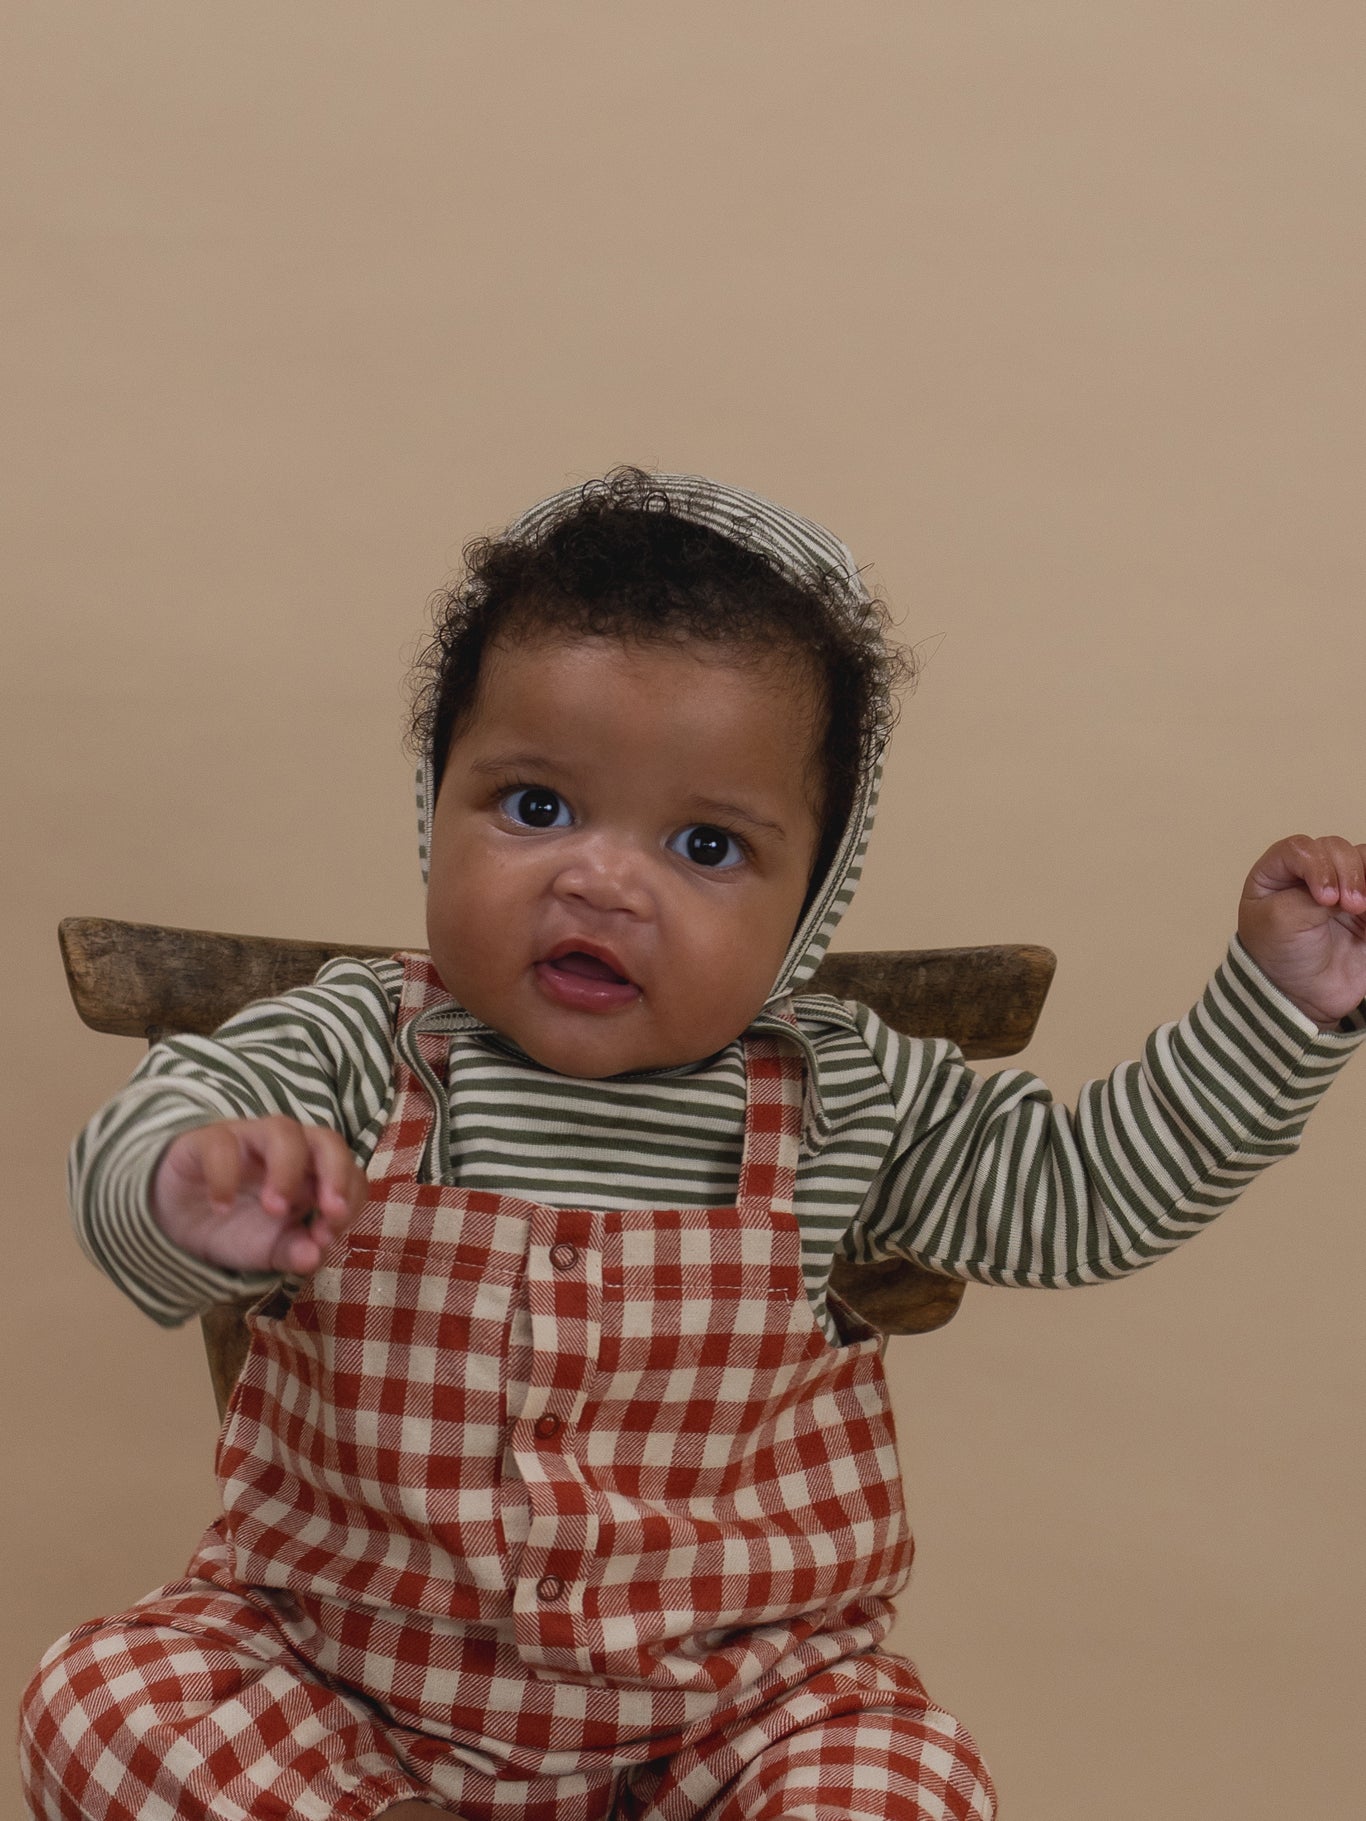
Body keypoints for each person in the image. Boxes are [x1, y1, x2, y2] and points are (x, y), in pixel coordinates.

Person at [21, 469, 1366, 1821]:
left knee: (909, 1781)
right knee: (107, 1700)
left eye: (706, 841)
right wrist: (192, 1178)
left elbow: (1082, 1198)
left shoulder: (840, 1093)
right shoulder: (355, 1053)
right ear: (438, 806)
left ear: (809, 900)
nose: (601, 878)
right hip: (348, 1697)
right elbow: (153, 1130)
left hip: (725, 1721)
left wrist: (1274, 1007)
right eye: (536, 805)